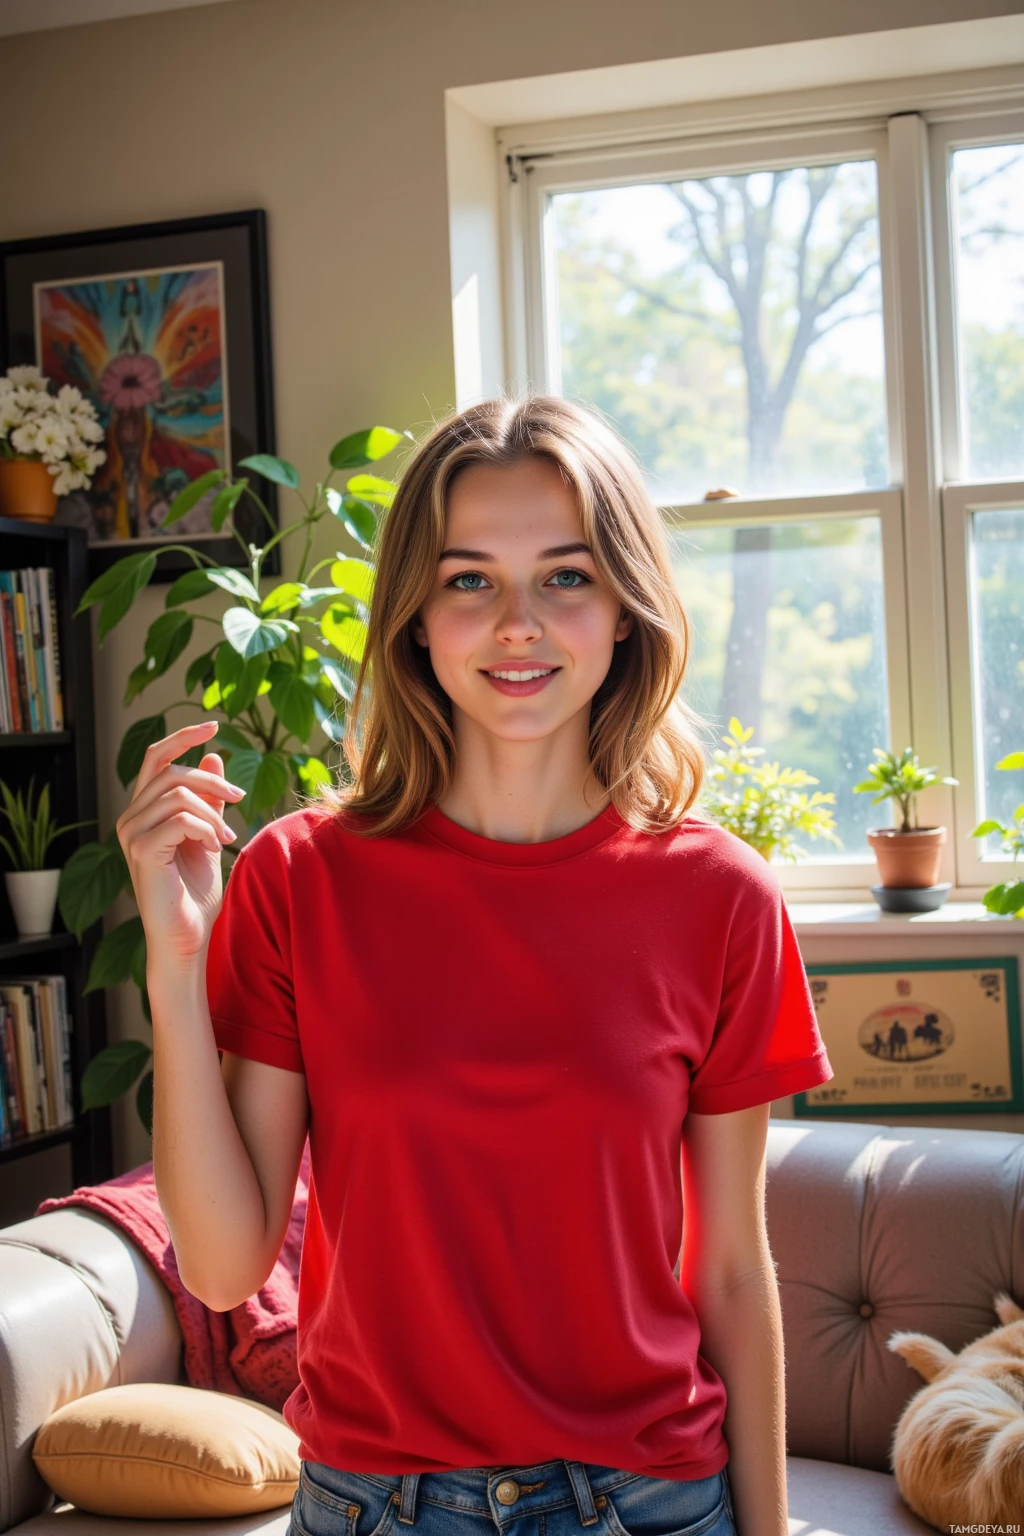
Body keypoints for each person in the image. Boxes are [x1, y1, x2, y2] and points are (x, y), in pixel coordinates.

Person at [120, 393, 834, 1536]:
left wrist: (771, 1531)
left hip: (651, 1503)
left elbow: (732, 1275)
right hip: (374, 1506)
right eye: (468, 580)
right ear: (413, 614)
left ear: (624, 608)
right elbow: (220, 1266)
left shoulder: (723, 897)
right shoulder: (300, 878)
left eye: (565, 575)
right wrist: (174, 961)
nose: (517, 623)